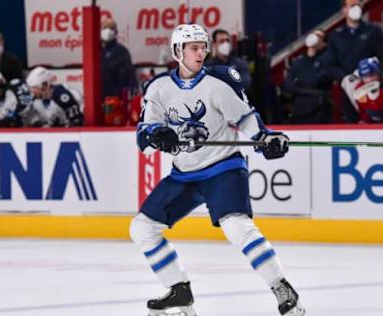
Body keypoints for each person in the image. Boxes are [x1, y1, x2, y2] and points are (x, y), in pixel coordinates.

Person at [130, 24, 306, 316]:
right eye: (194, 47)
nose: (201, 52)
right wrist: (156, 134)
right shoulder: (159, 88)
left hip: (222, 167)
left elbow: (247, 119)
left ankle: (282, 288)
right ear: (177, 51)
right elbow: (144, 136)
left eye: (203, 46)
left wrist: (265, 139)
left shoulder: (219, 81)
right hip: (184, 173)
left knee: (236, 226)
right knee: (142, 228)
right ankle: (179, 291)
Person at [324, 0, 383, 122]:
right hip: (348, 91)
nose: (356, 8)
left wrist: (377, 77)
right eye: (352, 5)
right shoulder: (335, 36)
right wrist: (347, 79)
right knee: (351, 124)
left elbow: (382, 57)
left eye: (358, 5)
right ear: (344, 10)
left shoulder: (373, 31)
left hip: (372, 88)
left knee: (375, 123)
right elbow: (330, 64)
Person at [282, 30, 332, 124]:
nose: (315, 37)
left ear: (323, 43)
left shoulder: (326, 60)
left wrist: (299, 84)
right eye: (314, 35)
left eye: (319, 36)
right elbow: (288, 86)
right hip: (300, 109)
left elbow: (316, 81)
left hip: (318, 109)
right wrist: (310, 91)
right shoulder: (298, 62)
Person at [342, 57, 383, 123]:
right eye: (366, 76)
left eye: (372, 75)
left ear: (378, 73)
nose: (370, 80)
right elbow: (364, 116)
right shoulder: (359, 90)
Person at [100, 18, 137, 99]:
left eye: (111, 28)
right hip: (99, 96)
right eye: (105, 28)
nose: (108, 31)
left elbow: (130, 74)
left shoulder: (122, 51)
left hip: (117, 97)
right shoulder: (96, 51)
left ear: (116, 32)